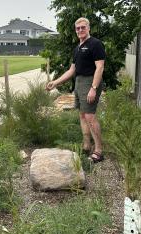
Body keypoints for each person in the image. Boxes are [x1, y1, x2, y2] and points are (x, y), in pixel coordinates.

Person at [46, 17, 105, 163]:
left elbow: (100, 67)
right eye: (78, 28)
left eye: (83, 27)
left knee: (90, 117)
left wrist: (94, 88)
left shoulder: (95, 44)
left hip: (90, 81)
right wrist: (55, 82)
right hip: (78, 82)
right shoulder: (77, 48)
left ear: (88, 28)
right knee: (82, 116)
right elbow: (72, 70)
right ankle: (86, 146)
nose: (80, 30)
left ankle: (99, 151)